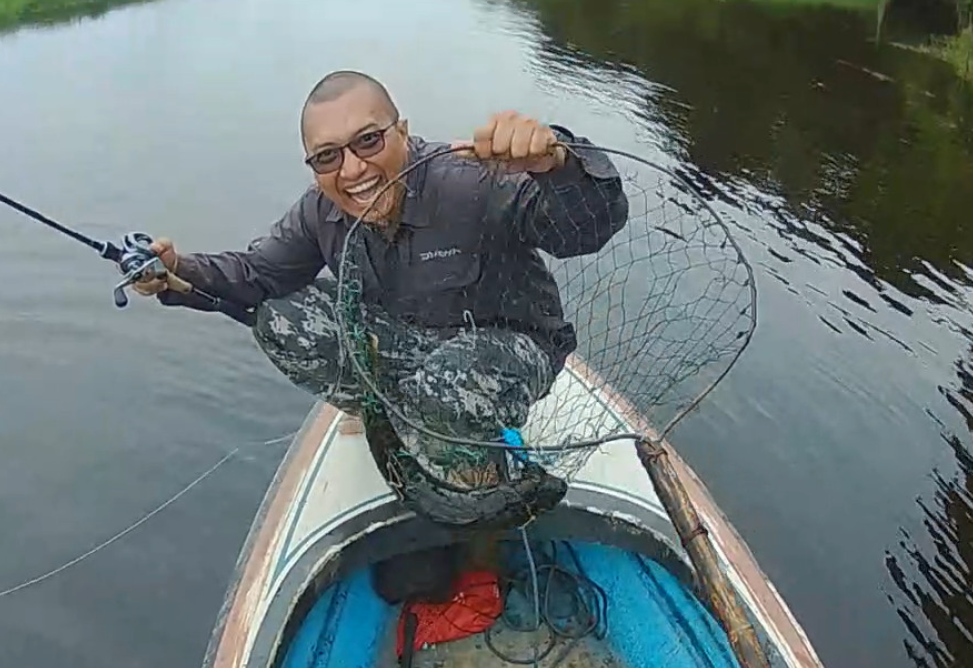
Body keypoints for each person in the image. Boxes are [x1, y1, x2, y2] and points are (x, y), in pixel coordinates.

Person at [135, 70, 629, 492]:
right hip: (410, 343)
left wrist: (555, 164)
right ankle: (388, 412)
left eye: (368, 141)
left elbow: (584, 231)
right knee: (280, 317)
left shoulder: (473, 180)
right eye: (327, 157)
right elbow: (257, 274)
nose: (352, 170)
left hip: (513, 348)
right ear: (313, 167)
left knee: (443, 391)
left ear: (404, 131)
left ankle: (478, 484)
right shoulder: (320, 211)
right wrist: (179, 269)